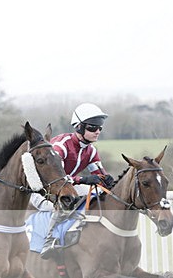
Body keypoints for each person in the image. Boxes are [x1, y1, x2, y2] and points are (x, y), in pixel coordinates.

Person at [38, 102, 116, 259]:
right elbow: (57, 179)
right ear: (79, 127)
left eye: (100, 127)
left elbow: (100, 175)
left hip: (66, 187)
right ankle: (48, 241)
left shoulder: (91, 150)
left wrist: (108, 180)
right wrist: (83, 179)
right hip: (43, 188)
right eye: (93, 127)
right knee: (67, 199)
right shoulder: (62, 146)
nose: (98, 131)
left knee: (100, 195)